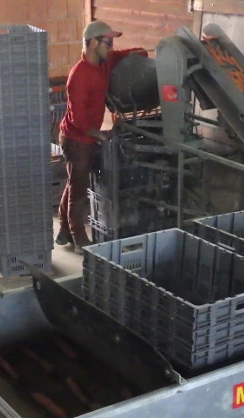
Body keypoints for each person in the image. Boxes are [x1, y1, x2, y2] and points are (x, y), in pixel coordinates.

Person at [56, 21, 146, 252]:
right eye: (108, 42)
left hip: (86, 137)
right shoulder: (78, 75)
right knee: (79, 188)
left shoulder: (104, 63)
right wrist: (98, 134)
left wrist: (141, 53)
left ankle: (64, 229)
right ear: (93, 42)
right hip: (76, 139)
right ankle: (78, 238)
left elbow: (126, 55)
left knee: (74, 181)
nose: (111, 46)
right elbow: (78, 117)